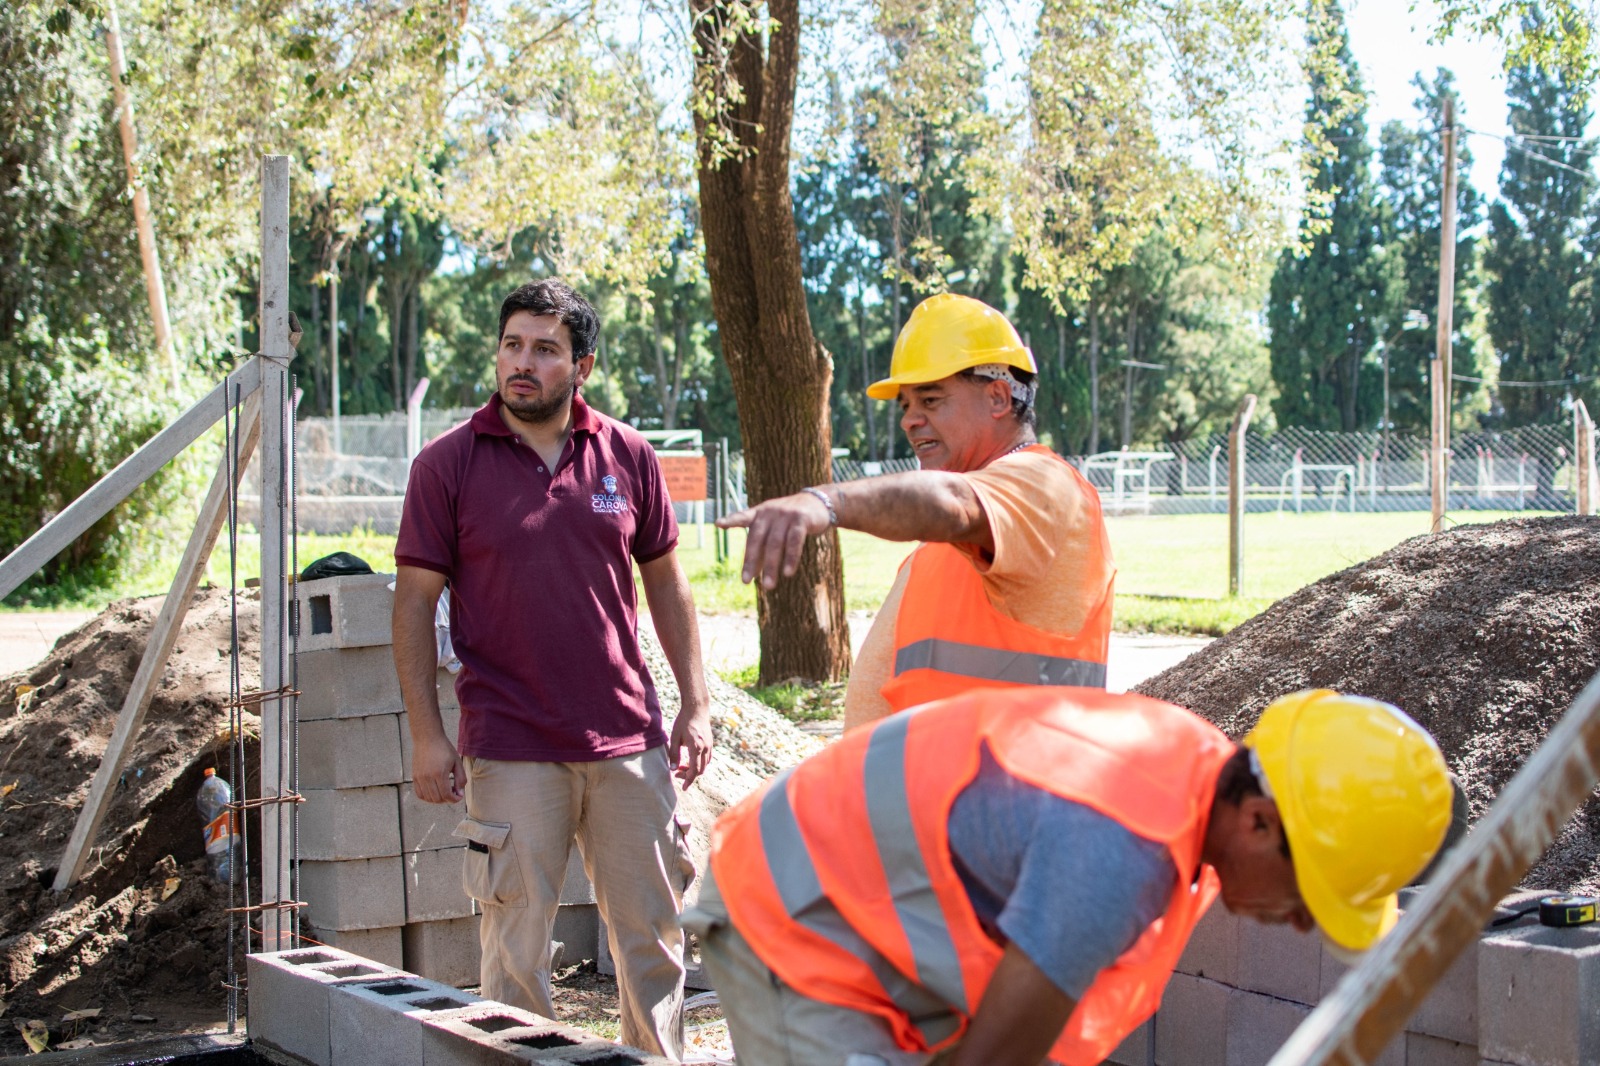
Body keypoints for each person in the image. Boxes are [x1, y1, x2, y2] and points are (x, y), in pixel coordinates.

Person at [685, 687, 1453, 1066]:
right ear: (1258, 819)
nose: (1299, 924)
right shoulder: (1122, 851)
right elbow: (995, 1060)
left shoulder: (1189, 775)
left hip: (870, 931)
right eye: (1311, 892)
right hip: (794, 921)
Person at [393, 279, 712, 1060]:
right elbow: (410, 607)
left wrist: (695, 705)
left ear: (583, 364)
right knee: (513, 956)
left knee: (654, 944)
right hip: (509, 744)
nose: (522, 364)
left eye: (544, 349)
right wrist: (428, 737)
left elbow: (668, 584)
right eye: (512, 346)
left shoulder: (628, 455)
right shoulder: (447, 465)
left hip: (628, 743)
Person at [717, 293, 1114, 732]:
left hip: (1011, 790)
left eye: (930, 399)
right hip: (947, 789)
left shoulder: (1043, 482)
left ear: (999, 396)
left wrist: (828, 501)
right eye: (905, 405)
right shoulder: (964, 519)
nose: (909, 420)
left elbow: (950, 502)